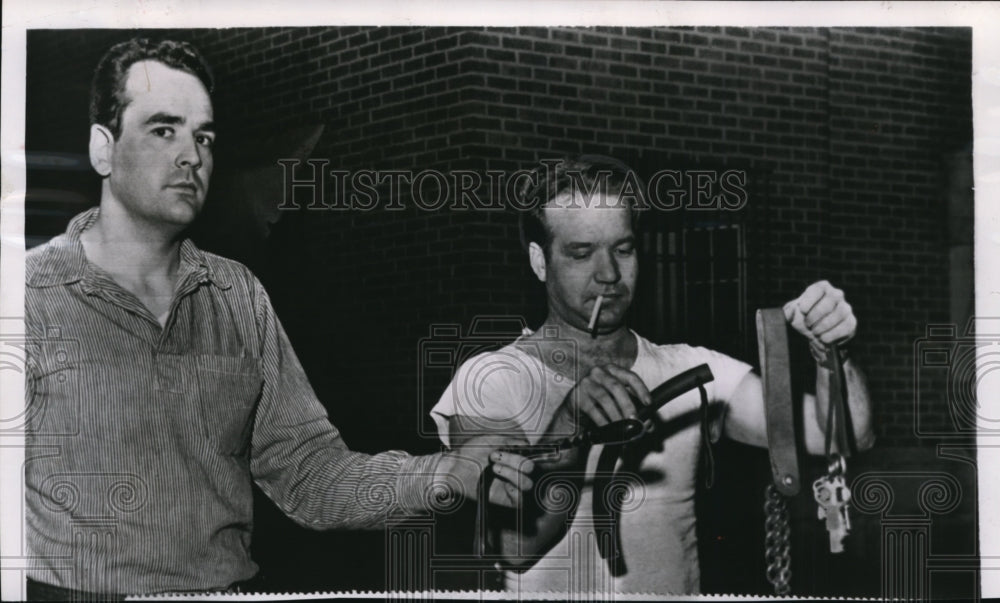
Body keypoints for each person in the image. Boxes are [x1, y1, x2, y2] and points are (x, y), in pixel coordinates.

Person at [24, 38, 534, 600]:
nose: (192, 155)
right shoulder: (28, 295)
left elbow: (309, 474)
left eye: (204, 136)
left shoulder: (238, 296)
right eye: (163, 130)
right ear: (103, 147)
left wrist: (443, 473)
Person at [431, 156, 874, 595]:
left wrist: (831, 353)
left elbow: (842, 435)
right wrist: (567, 427)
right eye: (581, 253)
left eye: (623, 250)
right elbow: (512, 544)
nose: (608, 275)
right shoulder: (492, 379)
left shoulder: (690, 370)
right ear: (539, 261)